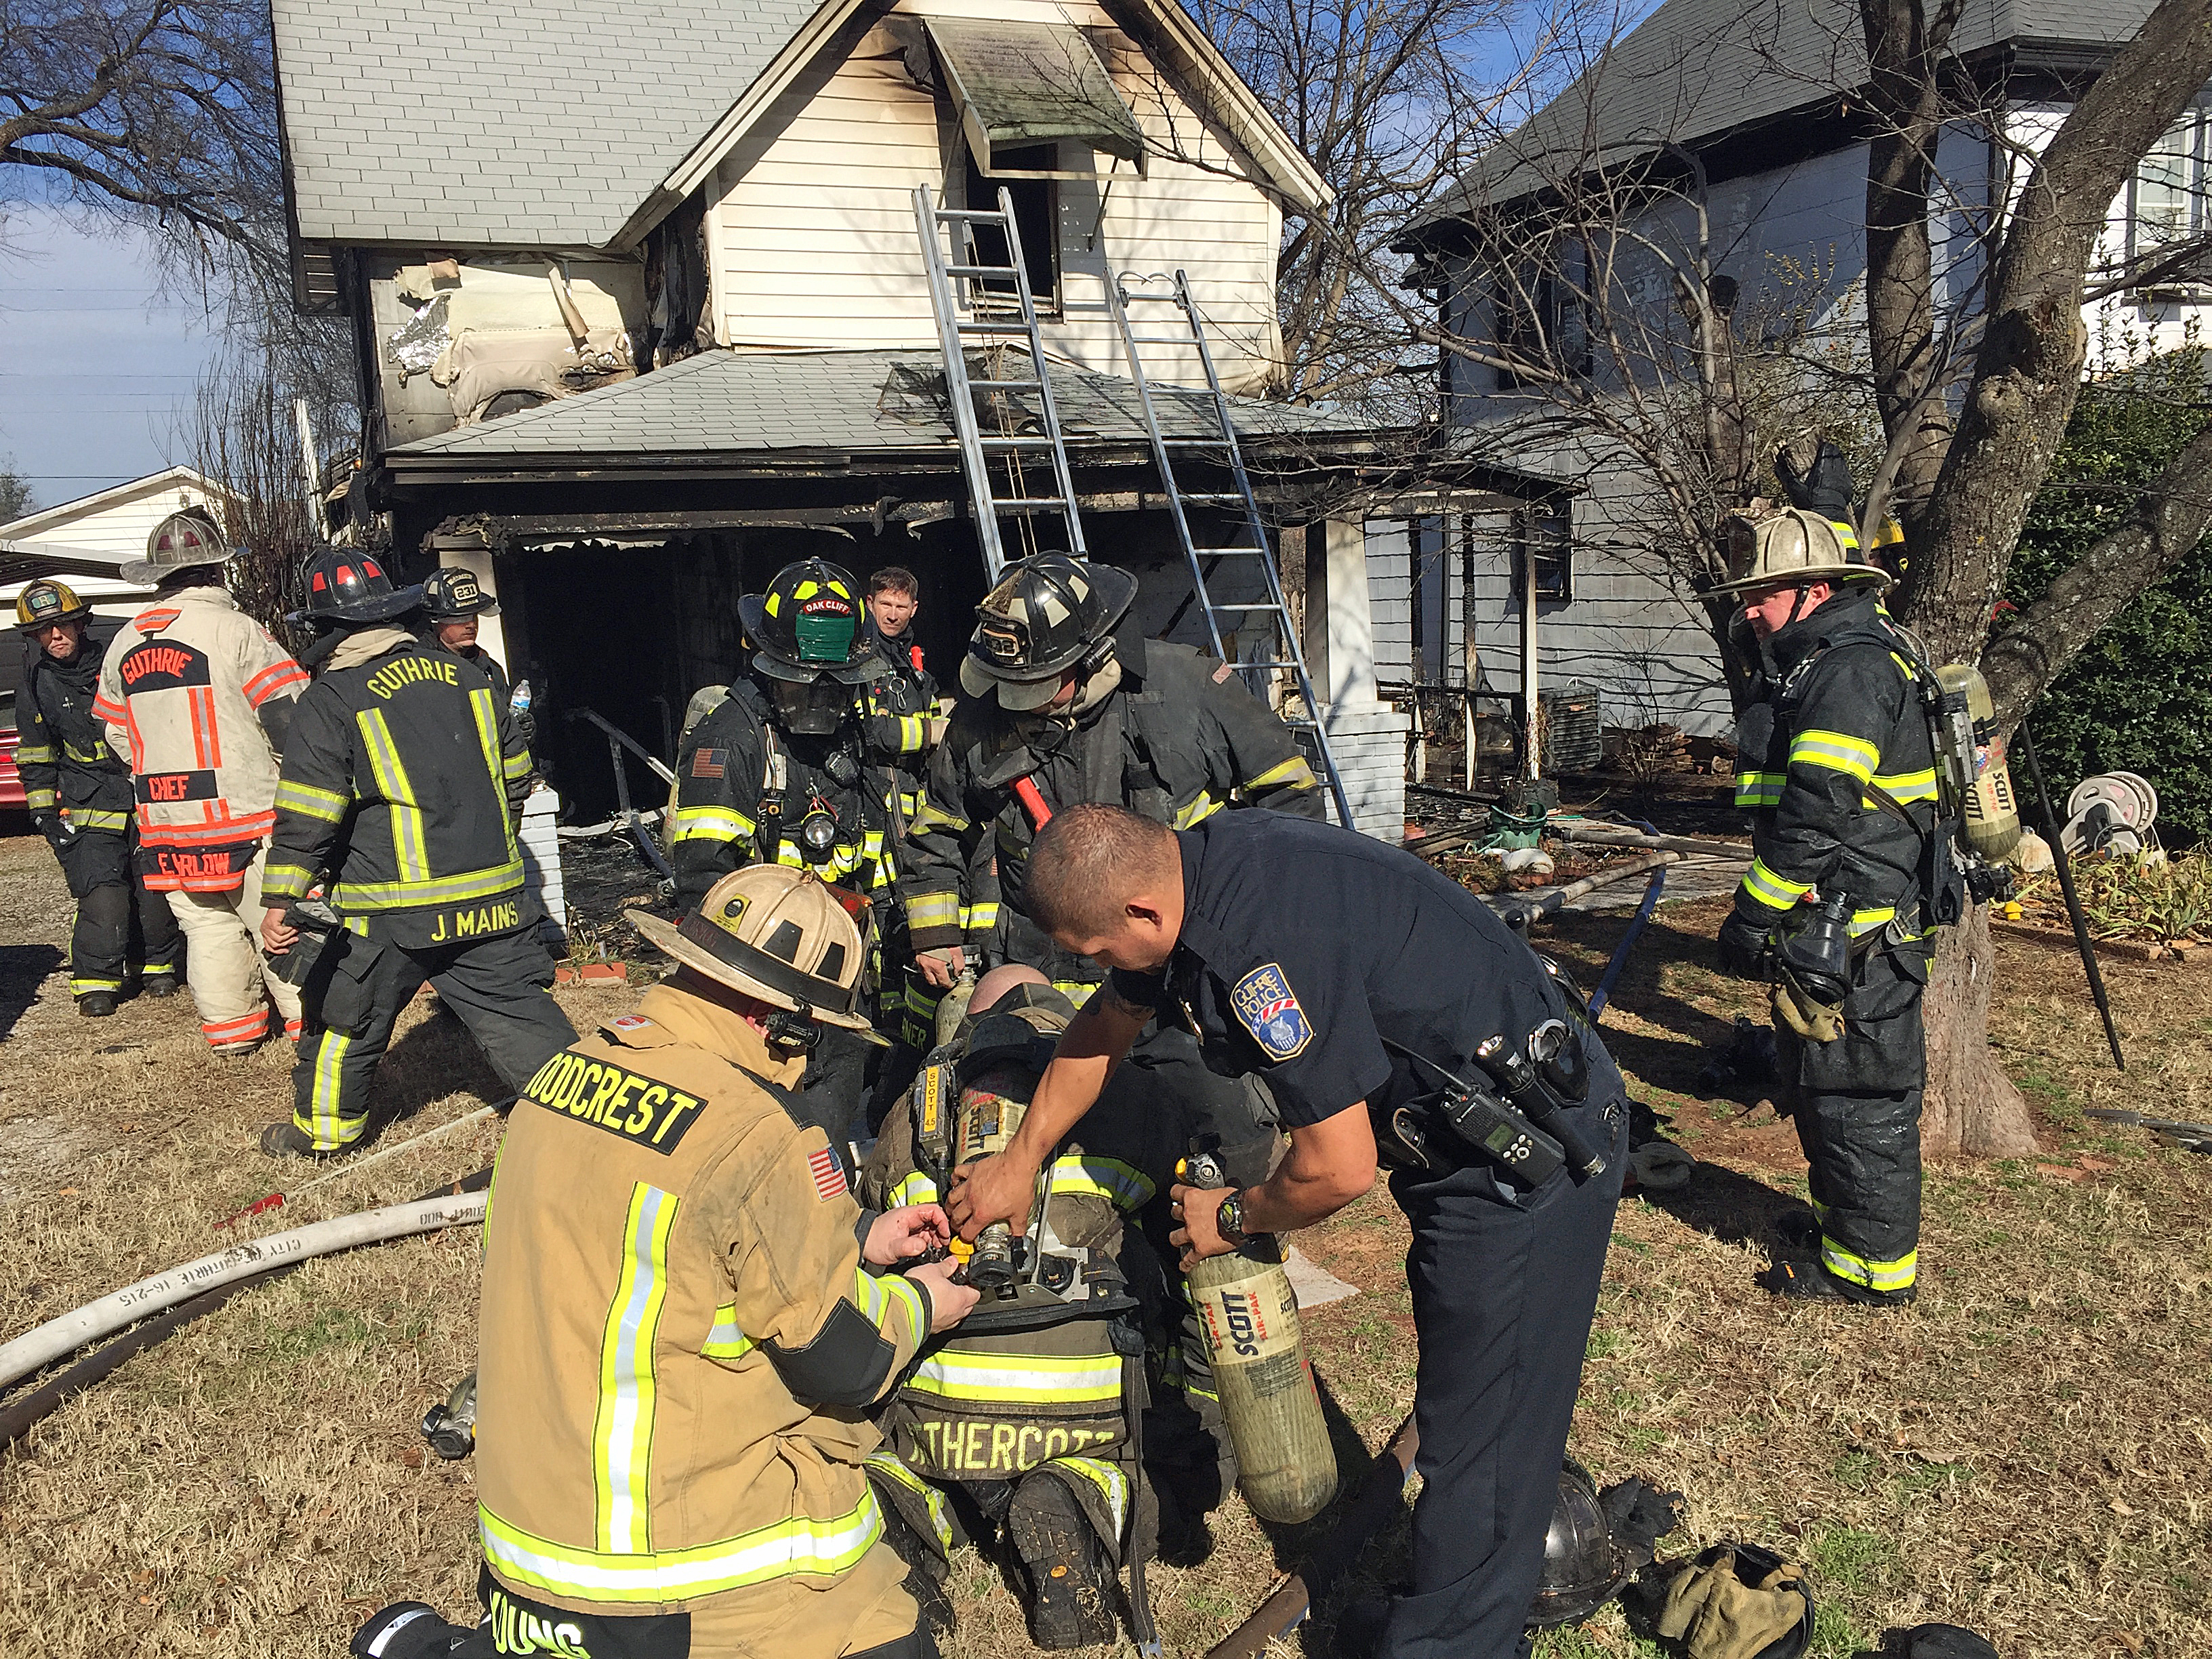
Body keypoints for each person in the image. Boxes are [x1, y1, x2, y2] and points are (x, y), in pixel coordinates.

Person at [950, 804, 1628, 1659]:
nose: (1097, 971)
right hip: (1460, 1146)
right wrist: (1022, 1156)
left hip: (1531, 1163)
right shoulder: (1202, 869)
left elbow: (1337, 1168)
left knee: (1481, 1439)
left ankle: (1456, 1642)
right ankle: (1453, 1601)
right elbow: (1104, 1025)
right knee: (1468, 1401)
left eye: (1097, 952)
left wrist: (1232, 1215)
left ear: (1142, 915)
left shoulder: (1253, 951)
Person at [351, 865, 979, 1659]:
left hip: (525, 1559)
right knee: (889, 1633)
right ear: (782, 1026)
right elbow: (843, 1360)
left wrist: (855, 1240)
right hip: (678, 1585)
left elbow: (660, 1249)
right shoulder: (758, 1130)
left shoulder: (561, 1078)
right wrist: (921, 1301)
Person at [859, 965, 1186, 1650]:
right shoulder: (1126, 1090)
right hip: (1079, 1405)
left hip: (935, 1400)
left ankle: (903, 1504)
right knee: (1124, 1481)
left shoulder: (912, 1104)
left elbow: (870, 1212)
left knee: (897, 1461)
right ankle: (1074, 1495)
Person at [900, 550, 1326, 1012]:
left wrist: (1254, 921)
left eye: (1032, 686)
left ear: (1092, 657)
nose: (1013, 701)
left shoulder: (1188, 689)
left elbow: (1291, 803)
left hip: (1179, 964)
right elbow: (939, 829)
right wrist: (935, 934)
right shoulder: (990, 707)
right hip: (1039, 966)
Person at [256, 549, 575, 1158]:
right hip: (491, 901)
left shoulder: (331, 699)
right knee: (522, 1018)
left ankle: (324, 1135)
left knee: (341, 1020)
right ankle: (585, 1126)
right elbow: (516, 779)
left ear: (325, 630)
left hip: (389, 912)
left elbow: (310, 813)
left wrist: (281, 899)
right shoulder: (475, 682)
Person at [1712, 506, 1936, 1307]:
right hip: (1838, 923)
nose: (1749, 610)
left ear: (1814, 590)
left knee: (1856, 1101)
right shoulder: (1819, 661)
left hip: (1863, 932)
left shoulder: (1851, 671)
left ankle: (1868, 1278)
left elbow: (1817, 811)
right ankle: (1842, 1234)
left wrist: (1753, 914)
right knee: (1822, 1090)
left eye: (1763, 594)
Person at [669, 556, 895, 1148]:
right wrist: (755, 997)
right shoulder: (729, 740)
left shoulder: (852, 728)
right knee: (759, 1125)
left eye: (836, 686)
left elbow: (876, 841)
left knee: (829, 1117)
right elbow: (703, 885)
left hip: (840, 971)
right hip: (762, 981)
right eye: (802, 685)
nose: (820, 702)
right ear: (765, 665)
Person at [94, 508, 308, 1055]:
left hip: (168, 821)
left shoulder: (122, 643)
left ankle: (233, 1035)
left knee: (206, 927)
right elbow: (289, 716)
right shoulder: (236, 630)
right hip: (249, 814)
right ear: (217, 572)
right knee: (281, 921)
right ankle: (312, 1023)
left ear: (157, 578)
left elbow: (116, 733)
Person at [14, 579, 184, 1015]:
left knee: (154, 889)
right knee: (102, 894)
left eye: (63, 626)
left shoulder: (118, 664)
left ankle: (159, 967)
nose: (54, 637)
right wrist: (45, 814)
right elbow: (36, 755)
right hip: (88, 802)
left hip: (145, 794)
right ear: (32, 637)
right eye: (42, 631)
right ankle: (96, 979)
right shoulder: (35, 686)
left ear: (80, 624)